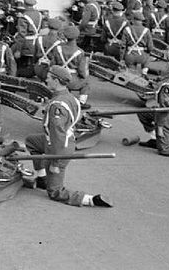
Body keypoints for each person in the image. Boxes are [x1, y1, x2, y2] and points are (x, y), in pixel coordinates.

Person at [23, 66, 112, 208]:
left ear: (56, 81)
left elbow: (58, 134)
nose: (46, 79)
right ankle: (41, 178)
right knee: (31, 142)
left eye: (49, 78)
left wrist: (55, 163)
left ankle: (91, 200)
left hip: (60, 148)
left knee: (55, 192)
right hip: (54, 141)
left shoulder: (58, 106)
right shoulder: (71, 98)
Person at [52, 25, 91, 109]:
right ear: (77, 37)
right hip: (72, 78)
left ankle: (65, 98)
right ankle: (81, 102)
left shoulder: (57, 48)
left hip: (59, 77)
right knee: (86, 84)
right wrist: (84, 77)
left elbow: (53, 64)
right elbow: (81, 70)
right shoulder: (80, 52)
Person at [12, 0, 43, 74]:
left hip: (26, 46)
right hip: (36, 43)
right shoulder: (39, 14)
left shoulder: (23, 17)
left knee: (19, 65)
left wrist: (18, 50)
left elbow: (21, 35)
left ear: (24, 4)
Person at [120, 11, 153, 75]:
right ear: (141, 21)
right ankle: (144, 71)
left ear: (133, 20)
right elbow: (150, 47)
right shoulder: (146, 30)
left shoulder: (127, 29)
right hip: (142, 56)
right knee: (148, 59)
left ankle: (132, 75)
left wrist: (122, 58)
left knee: (131, 72)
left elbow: (123, 46)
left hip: (130, 56)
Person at [33, 17, 64, 81]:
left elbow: (34, 56)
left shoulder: (39, 39)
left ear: (49, 27)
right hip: (51, 71)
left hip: (38, 68)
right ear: (59, 29)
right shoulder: (60, 43)